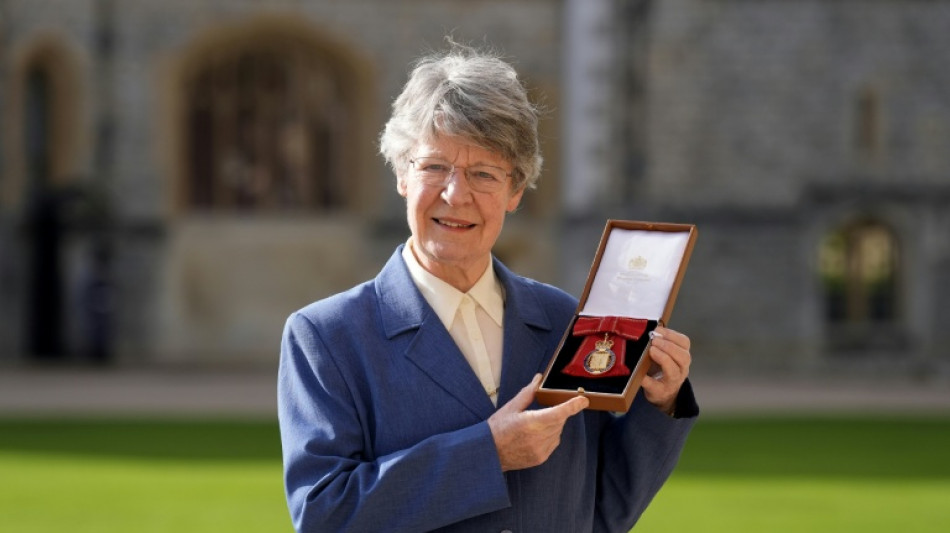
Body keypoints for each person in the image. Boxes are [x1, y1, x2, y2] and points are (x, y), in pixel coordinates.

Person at [278, 42, 699, 533]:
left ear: (515, 191)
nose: (456, 196)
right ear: (401, 174)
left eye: (483, 174)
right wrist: (486, 454)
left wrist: (660, 401)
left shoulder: (566, 323)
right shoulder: (326, 336)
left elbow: (603, 511)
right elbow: (323, 516)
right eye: (434, 167)